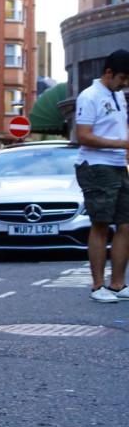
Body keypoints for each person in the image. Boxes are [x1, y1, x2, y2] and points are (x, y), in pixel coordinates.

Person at [74, 49, 129, 303]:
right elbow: (83, 135)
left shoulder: (118, 96)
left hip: (118, 166)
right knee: (101, 224)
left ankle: (118, 284)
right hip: (96, 166)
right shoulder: (90, 96)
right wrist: (121, 145)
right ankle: (98, 287)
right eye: (123, 77)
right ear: (109, 72)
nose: (125, 83)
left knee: (126, 224)